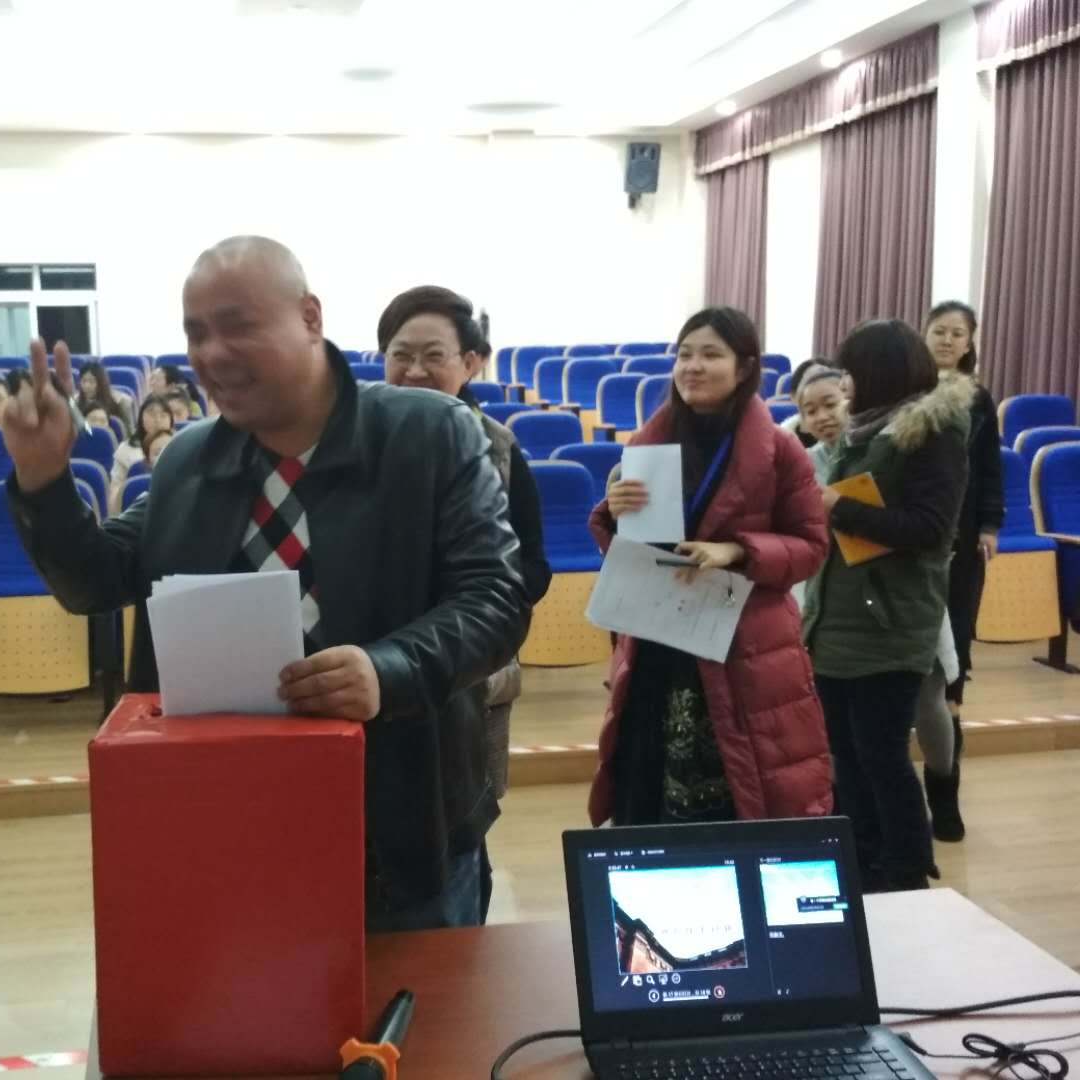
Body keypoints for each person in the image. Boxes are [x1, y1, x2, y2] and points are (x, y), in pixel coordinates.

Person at [2, 235, 530, 931]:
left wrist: (390, 668)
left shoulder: (429, 434)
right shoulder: (189, 461)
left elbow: (495, 598)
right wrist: (43, 481)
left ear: (310, 317)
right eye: (196, 333)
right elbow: (94, 581)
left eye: (237, 325)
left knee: (417, 1003)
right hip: (230, 822)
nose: (211, 352)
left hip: (401, 822)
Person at [587, 306, 832, 829]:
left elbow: (812, 545)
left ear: (744, 369)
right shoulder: (649, 441)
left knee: (739, 794)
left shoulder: (781, 450)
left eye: (710, 355)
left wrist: (737, 552)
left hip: (743, 644)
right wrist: (614, 512)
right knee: (647, 787)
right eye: (684, 354)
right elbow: (631, 547)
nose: (692, 366)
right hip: (657, 640)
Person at [378, 283, 552, 922]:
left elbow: (533, 567)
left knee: (464, 823)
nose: (414, 371)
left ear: (471, 362)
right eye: (401, 355)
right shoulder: (361, 444)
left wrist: (476, 606)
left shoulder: (498, 448)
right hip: (380, 671)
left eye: (434, 356)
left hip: (471, 679)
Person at [803, 319, 971, 892]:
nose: (845, 386)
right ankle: (864, 858)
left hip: (890, 620)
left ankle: (904, 869)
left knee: (880, 754)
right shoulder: (863, 433)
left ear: (877, 373)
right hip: (838, 618)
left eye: (850, 373)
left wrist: (837, 507)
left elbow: (929, 529)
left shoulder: (931, 432)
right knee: (848, 754)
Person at [920, 300, 1002, 842]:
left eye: (958, 334)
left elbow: (991, 467)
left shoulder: (977, 399)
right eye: (940, 331)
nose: (948, 340)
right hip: (912, 543)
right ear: (923, 335)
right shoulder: (906, 391)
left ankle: (946, 792)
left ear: (970, 344)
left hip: (961, 543)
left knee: (953, 662)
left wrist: (989, 525)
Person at [111, 394, 175, 504]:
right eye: (152, 415)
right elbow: (115, 490)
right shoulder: (125, 450)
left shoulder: (182, 445)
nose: (157, 420)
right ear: (141, 418)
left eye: (163, 415)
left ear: (171, 420)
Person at [77, 361, 134, 439]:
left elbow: (130, 436)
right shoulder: (75, 403)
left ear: (101, 383)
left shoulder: (120, 402)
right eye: (83, 381)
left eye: (91, 381)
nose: (87, 386)